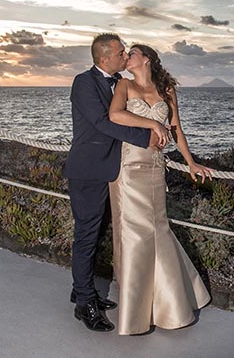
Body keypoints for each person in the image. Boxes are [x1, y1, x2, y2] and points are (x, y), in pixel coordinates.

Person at [108, 43, 212, 335]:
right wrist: (153, 123)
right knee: (134, 237)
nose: (127, 57)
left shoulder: (167, 91)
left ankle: (170, 304)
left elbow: (177, 129)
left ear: (147, 59)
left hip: (155, 168)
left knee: (159, 230)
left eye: (132, 53)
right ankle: (135, 314)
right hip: (128, 169)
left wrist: (191, 163)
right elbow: (115, 116)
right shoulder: (124, 86)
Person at [63, 33, 164, 332]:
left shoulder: (120, 83)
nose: (125, 56)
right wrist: (148, 136)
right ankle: (84, 305)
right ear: (105, 58)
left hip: (112, 171)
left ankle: (82, 290)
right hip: (88, 172)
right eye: (121, 52)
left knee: (97, 233)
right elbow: (103, 123)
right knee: (86, 237)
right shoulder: (84, 82)